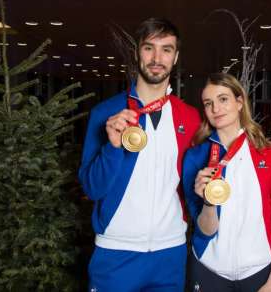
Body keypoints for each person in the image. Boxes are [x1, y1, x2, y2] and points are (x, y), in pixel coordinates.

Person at [78, 17, 200, 292]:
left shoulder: (190, 118)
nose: (157, 58)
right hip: (115, 254)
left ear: (176, 56)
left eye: (166, 49)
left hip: (170, 254)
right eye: (149, 48)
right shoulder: (106, 114)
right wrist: (112, 146)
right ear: (137, 53)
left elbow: (195, 188)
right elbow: (92, 187)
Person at [182, 73, 271, 292]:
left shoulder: (268, 154)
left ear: (240, 102)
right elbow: (204, 230)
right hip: (208, 270)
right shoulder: (196, 157)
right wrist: (208, 202)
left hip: (260, 271)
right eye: (208, 103)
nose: (216, 108)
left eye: (223, 99)